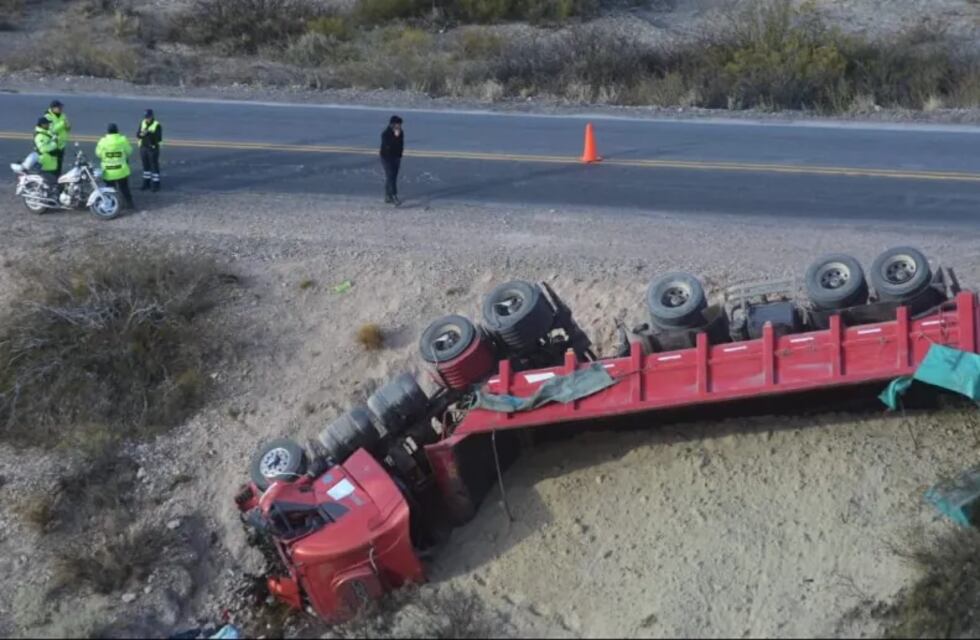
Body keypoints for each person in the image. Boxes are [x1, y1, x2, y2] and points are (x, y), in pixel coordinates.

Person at [95, 123, 135, 210]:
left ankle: (113, 204)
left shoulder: (103, 141)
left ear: (108, 132)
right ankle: (130, 204)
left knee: (110, 189)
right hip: (121, 170)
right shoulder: (122, 140)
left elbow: (98, 154)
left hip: (108, 172)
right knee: (124, 188)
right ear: (117, 131)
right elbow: (129, 151)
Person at [379, 115, 404, 206]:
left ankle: (387, 196)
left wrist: (400, 155)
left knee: (393, 177)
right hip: (387, 158)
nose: (400, 126)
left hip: (396, 157)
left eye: (400, 125)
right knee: (390, 176)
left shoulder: (401, 132)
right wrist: (395, 137)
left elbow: (401, 145)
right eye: (398, 124)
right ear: (392, 125)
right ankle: (394, 196)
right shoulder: (386, 134)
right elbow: (388, 147)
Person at [136, 108, 163, 191]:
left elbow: (158, 138)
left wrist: (149, 133)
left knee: (154, 166)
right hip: (143, 148)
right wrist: (142, 133)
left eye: (148, 117)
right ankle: (146, 183)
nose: (147, 119)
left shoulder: (157, 125)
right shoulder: (142, 123)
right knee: (145, 166)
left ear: (152, 116)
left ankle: (156, 184)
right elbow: (138, 134)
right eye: (146, 117)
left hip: (152, 149)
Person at [43, 100, 71, 174]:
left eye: (61, 107)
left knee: (59, 165)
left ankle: (57, 181)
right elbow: (52, 130)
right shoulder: (48, 116)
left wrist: (68, 127)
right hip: (52, 146)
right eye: (59, 107)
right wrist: (62, 124)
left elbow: (67, 127)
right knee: (52, 166)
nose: (61, 109)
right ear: (53, 108)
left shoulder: (63, 115)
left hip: (61, 145)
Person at [33, 117, 59, 190]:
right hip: (45, 164)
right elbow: (43, 149)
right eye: (47, 124)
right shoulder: (39, 136)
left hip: (50, 163)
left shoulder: (45, 132)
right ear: (42, 125)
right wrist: (54, 143)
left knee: (53, 183)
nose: (48, 125)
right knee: (50, 184)